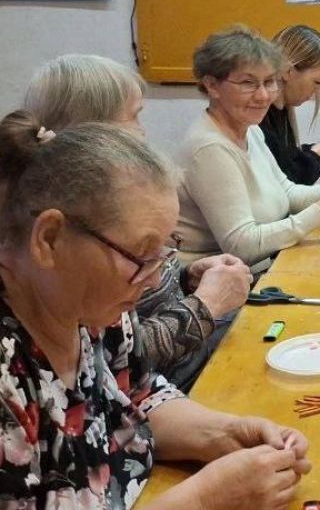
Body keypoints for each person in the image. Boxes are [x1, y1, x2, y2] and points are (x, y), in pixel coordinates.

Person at [0, 112, 311, 508]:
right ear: (49, 239)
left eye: (164, 251)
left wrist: (226, 433)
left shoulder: (91, 310)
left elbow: (140, 396)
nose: (154, 279)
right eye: (142, 254)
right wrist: (205, 499)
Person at [23, 53, 251, 391]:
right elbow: (119, 361)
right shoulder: (77, 231)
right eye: (134, 116)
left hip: (169, 384)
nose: (144, 131)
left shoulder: (117, 202)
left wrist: (186, 276)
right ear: (95, 131)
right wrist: (207, 305)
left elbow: (139, 302)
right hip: (181, 378)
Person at [175, 26, 320, 271]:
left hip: (264, 268)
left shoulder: (251, 129)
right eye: (248, 83)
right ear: (212, 86)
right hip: (227, 280)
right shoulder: (209, 148)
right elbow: (242, 246)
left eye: (269, 82)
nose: (263, 96)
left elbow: (287, 193)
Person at [260, 25, 320, 185]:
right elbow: (290, 184)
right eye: (317, 82)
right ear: (288, 72)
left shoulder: (280, 110)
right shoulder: (258, 117)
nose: (318, 91)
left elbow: (286, 157)